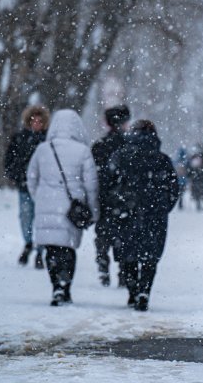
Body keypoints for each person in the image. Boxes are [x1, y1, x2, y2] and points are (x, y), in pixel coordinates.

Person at [26, 109, 98, 306]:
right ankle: (65, 286)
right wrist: (93, 209)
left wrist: (39, 197)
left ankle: (56, 285)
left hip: (46, 205)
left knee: (51, 249)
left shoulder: (42, 149)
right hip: (71, 209)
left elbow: (31, 178)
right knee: (67, 249)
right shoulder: (83, 151)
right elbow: (91, 184)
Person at [107, 120, 179, 311]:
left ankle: (132, 291)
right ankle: (144, 291)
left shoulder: (121, 156)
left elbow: (108, 184)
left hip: (126, 212)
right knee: (150, 256)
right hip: (154, 213)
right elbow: (174, 189)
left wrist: (116, 205)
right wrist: (162, 207)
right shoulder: (162, 159)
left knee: (128, 254)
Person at [4, 105, 50, 269]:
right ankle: (28, 243)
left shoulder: (48, 140)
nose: (36, 124)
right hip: (24, 186)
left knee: (41, 219)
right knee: (26, 217)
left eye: (39, 121)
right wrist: (16, 176)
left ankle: (40, 249)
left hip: (43, 187)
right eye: (33, 121)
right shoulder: (20, 138)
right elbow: (10, 160)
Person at [91, 105, 130, 287]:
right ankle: (123, 271)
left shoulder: (99, 146)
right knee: (123, 235)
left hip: (104, 197)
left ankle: (103, 268)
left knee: (103, 235)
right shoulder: (129, 145)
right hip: (124, 199)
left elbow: (93, 174)